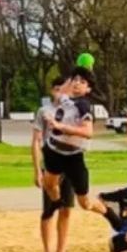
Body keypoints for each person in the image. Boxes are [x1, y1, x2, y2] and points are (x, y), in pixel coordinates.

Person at [41, 66, 105, 215]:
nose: (76, 83)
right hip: (54, 150)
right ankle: (57, 203)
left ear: (88, 89)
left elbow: (88, 132)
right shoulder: (66, 98)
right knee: (48, 184)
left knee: (85, 203)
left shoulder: (83, 105)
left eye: (82, 82)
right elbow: (60, 91)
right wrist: (75, 72)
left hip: (72, 156)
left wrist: (61, 126)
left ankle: (109, 214)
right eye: (75, 80)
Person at [32, 77, 74, 252]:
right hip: (51, 165)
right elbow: (36, 141)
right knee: (49, 210)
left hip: (70, 163)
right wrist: (37, 170)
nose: (60, 92)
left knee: (66, 209)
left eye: (63, 89)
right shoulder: (44, 111)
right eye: (57, 89)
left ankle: (61, 251)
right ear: (52, 91)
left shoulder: (73, 110)